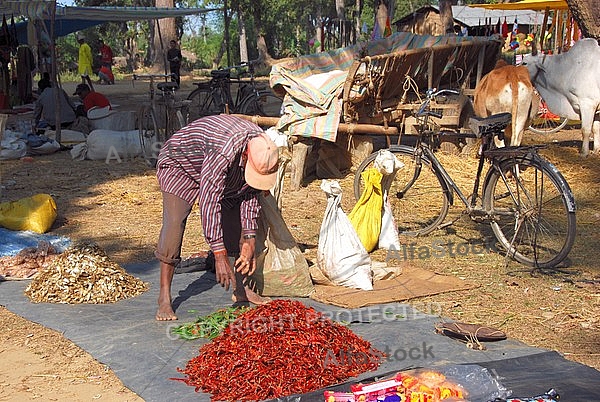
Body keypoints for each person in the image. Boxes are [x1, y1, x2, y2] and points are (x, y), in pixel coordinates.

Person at [154, 114, 279, 321]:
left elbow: (250, 193)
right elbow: (209, 201)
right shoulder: (223, 152)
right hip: (181, 165)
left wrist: (249, 240)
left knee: (237, 224)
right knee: (174, 224)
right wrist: (218, 253)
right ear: (245, 156)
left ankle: (241, 290)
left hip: (225, 170)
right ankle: (164, 297)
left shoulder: (265, 149)